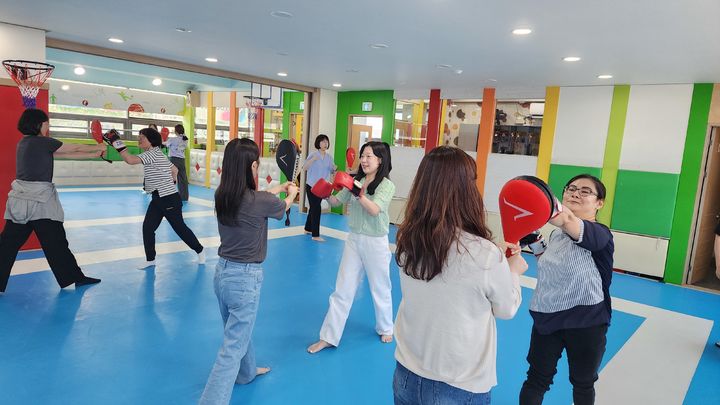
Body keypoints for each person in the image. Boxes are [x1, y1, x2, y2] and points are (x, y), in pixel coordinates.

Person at [392, 146, 527, 404]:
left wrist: (494, 260)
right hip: (459, 385)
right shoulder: (485, 254)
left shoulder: (408, 240)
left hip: (406, 374)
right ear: (466, 189)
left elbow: (450, 267)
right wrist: (513, 271)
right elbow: (506, 309)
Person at [199, 138, 298, 405]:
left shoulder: (223, 194)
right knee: (232, 347)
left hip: (221, 275)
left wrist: (277, 188)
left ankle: (247, 373)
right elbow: (281, 206)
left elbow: (261, 198)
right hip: (244, 279)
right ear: (252, 166)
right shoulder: (259, 201)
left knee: (237, 332)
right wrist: (291, 194)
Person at [519, 174, 614, 405]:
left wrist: (540, 203)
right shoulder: (557, 234)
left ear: (599, 203)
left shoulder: (600, 234)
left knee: (582, 383)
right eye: (571, 188)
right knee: (536, 380)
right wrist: (534, 240)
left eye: (585, 191)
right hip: (547, 318)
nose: (575, 193)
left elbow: (568, 221)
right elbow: (549, 261)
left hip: (586, 321)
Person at [0, 108, 104, 292]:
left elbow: (62, 154)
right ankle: (74, 277)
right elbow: (74, 147)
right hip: (40, 202)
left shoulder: (26, 143)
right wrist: (99, 147)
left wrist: (92, 154)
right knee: (56, 243)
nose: (48, 126)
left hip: (22, 201)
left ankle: (75, 277)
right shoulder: (42, 142)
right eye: (47, 122)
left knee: (8, 244)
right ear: (39, 124)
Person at [307, 141, 395, 354]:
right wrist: (325, 192)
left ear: (380, 160)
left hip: (376, 242)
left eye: (369, 156)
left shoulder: (386, 185)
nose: (363, 160)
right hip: (354, 239)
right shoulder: (355, 180)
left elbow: (375, 210)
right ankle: (328, 337)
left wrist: (359, 194)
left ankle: (385, 327)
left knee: (380, 287)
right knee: (342, 289)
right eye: (362, 156)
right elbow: (337, 201)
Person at [108, 127, 204, 269]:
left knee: (180, 228)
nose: (139, 139)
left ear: (151, 141)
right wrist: (172, 182)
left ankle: (200, 250)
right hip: (158, 198)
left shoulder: (152, 153)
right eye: (138, 137)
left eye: (142, 138)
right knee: (148, 228)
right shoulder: (157, 153)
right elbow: (175, 170)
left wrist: (116, 142)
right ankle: (150, 260)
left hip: (168, 199)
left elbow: (130, 160)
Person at [302, 134, 336, 242]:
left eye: (326, 142)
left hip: (322, 187)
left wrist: (334, 169)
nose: (325, 144)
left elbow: (332, 170)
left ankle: (308, 228)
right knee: (317, 208)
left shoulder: (329, 158)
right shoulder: (313, 154)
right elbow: (304, 168)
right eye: (322, 141)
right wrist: (313, 160)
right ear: (318, 143)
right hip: (311, 186)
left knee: (313, 207)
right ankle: (315, 235)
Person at [165, 124, 189, 201]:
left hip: (173, 160)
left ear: (176, 131)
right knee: (183, 179)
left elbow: (166, 144)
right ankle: (184, 197)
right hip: (182, 161)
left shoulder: (173, 139)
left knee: (170, 178)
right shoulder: (185, 139)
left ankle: (169, 196)